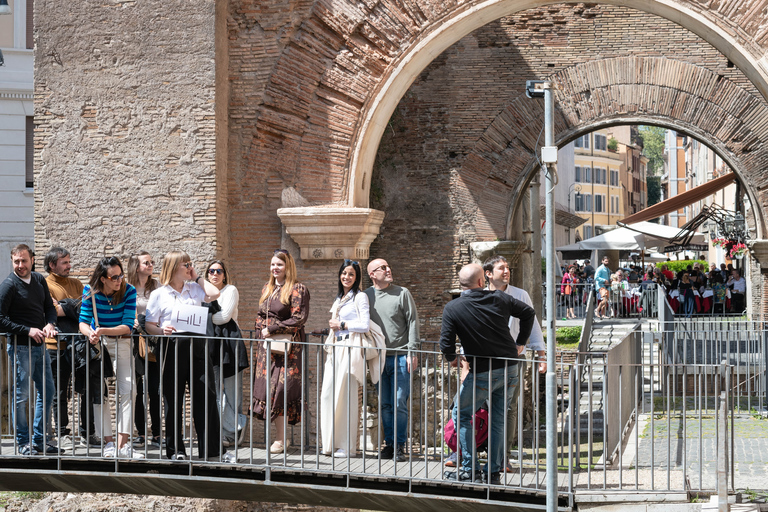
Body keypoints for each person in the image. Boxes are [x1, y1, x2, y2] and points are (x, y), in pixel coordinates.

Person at [440, 264, 535, 484]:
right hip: (510, 366)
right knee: (499, 418)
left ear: (461, 284)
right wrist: (520, 342)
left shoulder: (453, 307)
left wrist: (453, 359)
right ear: (482, 282)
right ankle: (493, 472)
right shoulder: (499, 298)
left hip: (482, 370)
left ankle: (469, 469)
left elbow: (445, 344)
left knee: (462, 415)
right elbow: (528, 312)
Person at [145, 251, 235, 462]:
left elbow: (215, 294)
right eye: (186, 264)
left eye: (190, 264)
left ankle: (211, 451)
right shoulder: (159, 294)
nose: (189, 267)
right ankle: (176, 450)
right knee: (173, 400)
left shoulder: (195, 288)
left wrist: (197, 277)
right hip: (173, 346)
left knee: (206, 399)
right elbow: (149, 325)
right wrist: (161, 330)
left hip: (198, 347)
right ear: (174, 266)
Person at [483, 255, 545, 465]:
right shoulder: (480, 296)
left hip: (513, 360)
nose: (507, 271)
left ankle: (502, 456)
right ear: (489, 274)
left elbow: (533, 324)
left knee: (508, 407)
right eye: (501, 268)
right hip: (485, 359)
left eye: (508, 267)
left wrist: (541, 353)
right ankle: (476, 451)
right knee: (482, 405)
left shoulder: (520, 295)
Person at [79, 256, 143, 459]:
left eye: (121, 275)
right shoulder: (89, 291)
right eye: (114, 277)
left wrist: (102, 329)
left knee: (129, 390)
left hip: (122, 341)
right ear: (103, 279)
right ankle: (108, 443)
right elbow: (82, 321)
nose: (119, 280)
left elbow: (127, 325)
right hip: (99, 345)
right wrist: (90, 333)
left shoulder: (129, 291)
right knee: (101, 393)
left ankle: (123, 445)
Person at [0, 244, 58, 455]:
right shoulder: (8, 285)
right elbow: (0, 320)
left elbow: (49, 308)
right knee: (22, 397)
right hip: (19, 348)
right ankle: (24, 443)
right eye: (16, 261)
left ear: (32, 260)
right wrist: (28, 331)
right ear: (12, 261)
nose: (20, 265)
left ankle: (40, 440)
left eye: (24, 260)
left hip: (40, 347)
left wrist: (50, 324)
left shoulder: (39, 280)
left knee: (48, 392)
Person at [251, 249, 310, 454]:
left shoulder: (297, 289)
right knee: (268, 390)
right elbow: (259, 314)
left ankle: (281, 439)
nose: (275, 268)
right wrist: (261, 329)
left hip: (288, 349)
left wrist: (273, 328)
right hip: (267, 347)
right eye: (273, 264)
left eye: (280, 265)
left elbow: (299, 318)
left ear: (288, 267)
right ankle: (278, 437)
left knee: (282, 391)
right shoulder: (267, 288)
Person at [43, 247, 99, 450]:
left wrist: (65, 306)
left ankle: (87, 432)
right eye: (64, 262)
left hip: (79, 345)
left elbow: (88, 307)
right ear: (52, 264)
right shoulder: (45, 284)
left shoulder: (76, 283)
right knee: (59, 392)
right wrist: (71, 306)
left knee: (86, 390)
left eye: (69, 261)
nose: (69, 265)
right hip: (55, 346)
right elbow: (50, 310)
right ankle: (62, 433)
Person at [365, 258, 420, 463]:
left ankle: (399, 446)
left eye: (388, 266)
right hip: (378, 359)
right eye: (383, 268)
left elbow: (412, 321)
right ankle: (389, 445)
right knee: (386, 404)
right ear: (372, 274)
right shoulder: (366, 296)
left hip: (401, 357)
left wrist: (412, 352)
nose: (388, 270)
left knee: (399, 403)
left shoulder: (402, 293)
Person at [320, 259, 370, 458]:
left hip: (350, 348)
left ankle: (347, 447)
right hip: (335, 348)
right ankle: (329, 443)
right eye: (344, 273)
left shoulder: (360, 297)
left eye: (351, 274)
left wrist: (341, 325)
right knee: (328, 396)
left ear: (356, 278)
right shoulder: (340, 298)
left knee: (347, 397)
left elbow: (364, 325)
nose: (346, 277)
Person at [205, 259, 248, 448]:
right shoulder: (202, 293)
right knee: (213, 391)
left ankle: (231, 435)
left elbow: (224, 317)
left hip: (230, 344)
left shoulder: (231, 290)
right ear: (207, 274)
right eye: (211, 271)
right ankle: (232, 427)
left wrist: (203, 319)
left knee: (233, 393)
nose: (215, 274)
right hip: (210, 344)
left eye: (219, 271)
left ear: (224, 274)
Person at [126, 251, 162, 448]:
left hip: (153, 343)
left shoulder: (156, 286)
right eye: (146, 262)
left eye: (151, 262)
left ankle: (157, 434)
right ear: (136, 266)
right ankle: (141, 433)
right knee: (137, 389)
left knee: (155, 389)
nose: (150, 265)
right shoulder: (126, 288)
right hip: (132, 341)